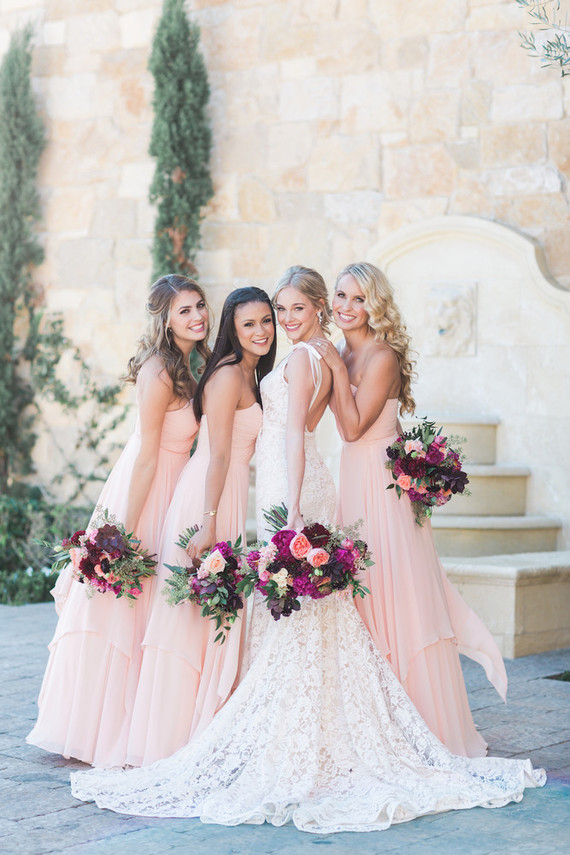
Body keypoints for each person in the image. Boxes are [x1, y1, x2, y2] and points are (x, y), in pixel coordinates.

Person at [70, 265, 544, 833]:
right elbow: (313, 429)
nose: (279, 324)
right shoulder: (320, 357)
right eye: (272, 314)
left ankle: (290, 732)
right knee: (301, 615)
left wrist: (290, 511)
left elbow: (298, 431)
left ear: (315, 309)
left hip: (287, 485)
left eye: (288, 312)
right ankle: (283, 724)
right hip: (288, 482)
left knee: (294, 616)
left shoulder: (302, 360)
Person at [313, 261, 507, 758]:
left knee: (395, 594)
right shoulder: (334, 351)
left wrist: (333, 367)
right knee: (359, 596)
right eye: (339, 296)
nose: (346, 307)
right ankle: (370, 723)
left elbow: (354, 428)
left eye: (358, 299)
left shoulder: (381, 356)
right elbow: (317, 419)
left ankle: (421, 727)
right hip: (351, 482)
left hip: (382, 488)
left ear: (374, 304)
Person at [27, 274, 210, 768]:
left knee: (152, 608)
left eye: (199, 307)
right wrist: (119, 538)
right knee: (125, 603)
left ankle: (147, 719)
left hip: (175, 485)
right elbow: (148, 456)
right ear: (164, 319)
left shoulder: (195, 364)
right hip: (144, 488)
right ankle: (104, 725)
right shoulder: (158, 371)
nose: (196, 317)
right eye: (184, 311)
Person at [124, 286, 276, 767]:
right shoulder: (229, 376)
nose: (261, 331)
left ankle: (204, 726)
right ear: (232, 326)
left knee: (210, 616)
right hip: (207, 500)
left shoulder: (250, 374)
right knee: (187, 620)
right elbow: (218, 455)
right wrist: (209, 524)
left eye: (267, 321)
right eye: (249, 323)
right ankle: (167, 740)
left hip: (224, 499)